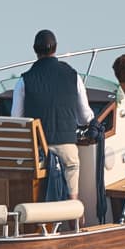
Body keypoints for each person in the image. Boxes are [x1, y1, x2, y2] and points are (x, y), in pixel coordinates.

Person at [8, 29, 94, 200]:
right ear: (55, 48)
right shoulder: (73, 76)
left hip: (38, 151)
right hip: (66, 147)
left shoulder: (24, 80)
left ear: (35, 49)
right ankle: (74, 219)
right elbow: (85, 117)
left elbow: (17, 121)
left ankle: (42, 221)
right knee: (71, 170)